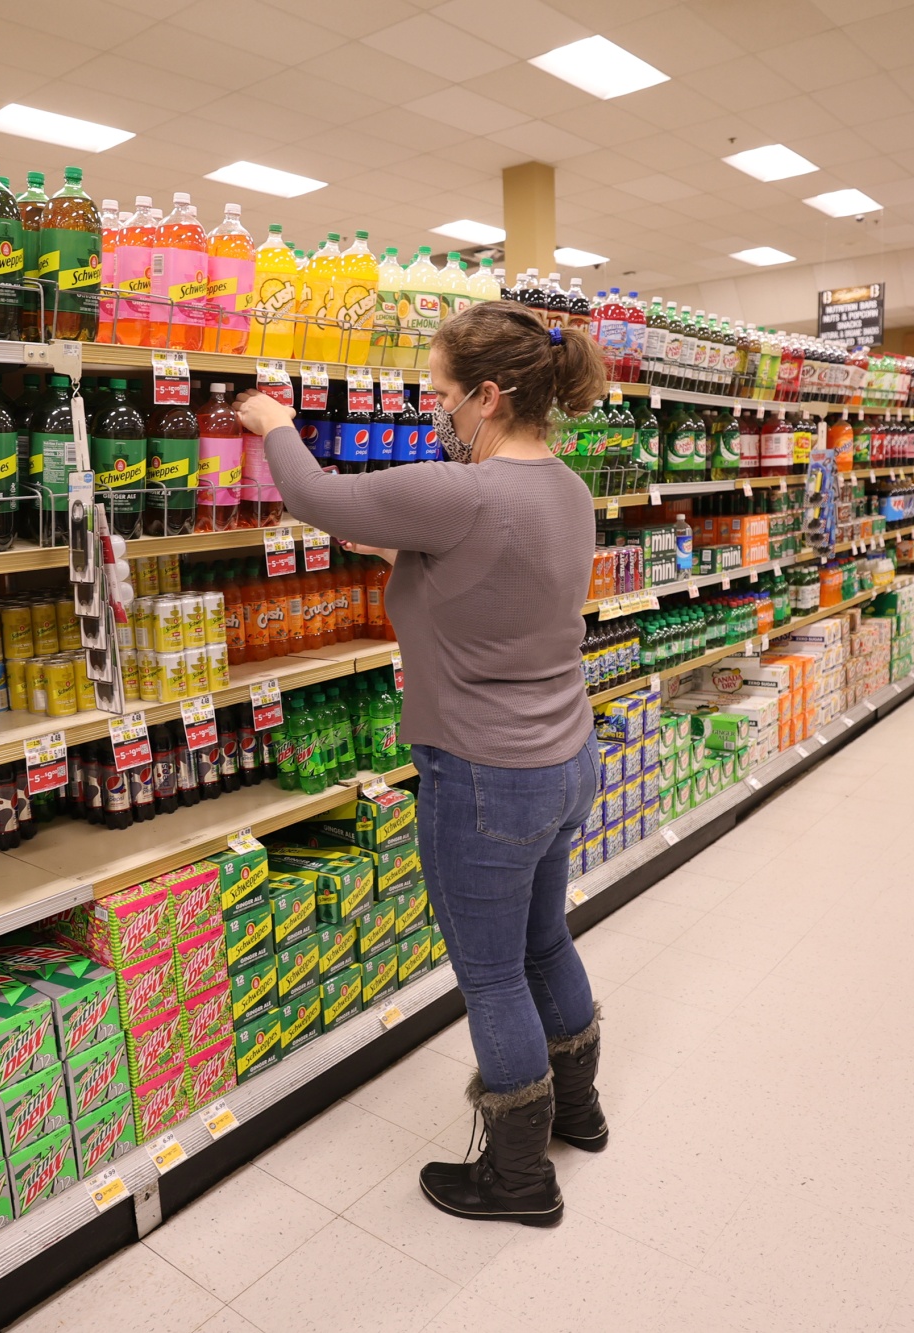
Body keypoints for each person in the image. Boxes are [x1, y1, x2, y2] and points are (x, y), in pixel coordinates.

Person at [236, 302, 608, 1229]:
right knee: (545, 939)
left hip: (483, 773)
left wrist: (274, 423)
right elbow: (486, 564)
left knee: (489, 974)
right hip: (565, 756)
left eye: (440, 393)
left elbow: (315, 498)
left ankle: (519, 1176)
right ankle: (580, 1112)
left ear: (488, 395)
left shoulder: (463, 490)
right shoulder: (566, 486)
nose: (432, 408)